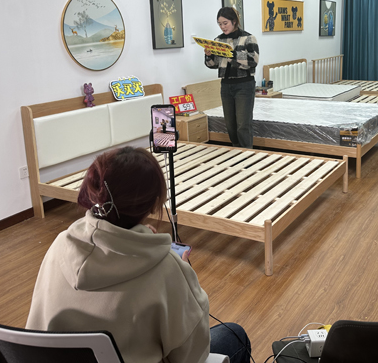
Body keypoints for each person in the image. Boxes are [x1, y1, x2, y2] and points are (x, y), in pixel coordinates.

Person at [26, 146, 250, 363]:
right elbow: (193, 356)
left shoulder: (61, 243)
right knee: (234, 335)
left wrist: (137, 237)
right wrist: (185, 275)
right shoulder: (167, 270)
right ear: (153, 204)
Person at [205, 7, 259, 149]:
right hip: (226, 85)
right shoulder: (218, 40)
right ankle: (236, 150)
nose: (222, 27)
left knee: (243, 124)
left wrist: (231, 55)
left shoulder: (248, 38)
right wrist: (209, 56)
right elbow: (213, 65)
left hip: (244, 85)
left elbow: (253, 61)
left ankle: (246, 153)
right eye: (220, 24)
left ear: (234, 21)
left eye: (225, 23)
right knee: (230, 124)